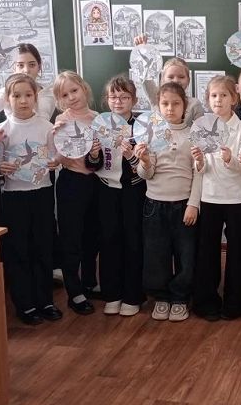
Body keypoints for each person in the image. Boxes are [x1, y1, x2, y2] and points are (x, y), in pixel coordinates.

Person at [0, 73, 60, 325]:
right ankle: (25, 304)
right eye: (16, 95)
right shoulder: (2, 130)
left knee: (43, 247)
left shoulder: (47, 127)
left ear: (36, 97)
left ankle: (45, 300)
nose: (23, 101)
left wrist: (54, 162)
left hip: (41, 193)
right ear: (8, 99)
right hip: (13, 197)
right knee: (18, 250)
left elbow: (55, 155)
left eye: (28, 95)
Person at [134, 83, 200, 322]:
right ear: (158, 107)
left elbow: (198, 173)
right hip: (155, 205)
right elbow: (146, 174)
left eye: (175, 103)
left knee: (186, 254)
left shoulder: (193, 135)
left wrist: (193, 204)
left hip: (183, 205)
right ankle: (161, 296)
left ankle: (180, 297)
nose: (170, 108)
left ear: (185, 106)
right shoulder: (151, 134)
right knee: (156, 253)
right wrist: (144, 161)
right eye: (165, 104)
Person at [191, 75, 241, 320]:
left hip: (237, 198)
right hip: (210, 197)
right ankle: (206, 302)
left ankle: (235, 304)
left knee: (237, 251)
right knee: (207, 251)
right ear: (208, 99)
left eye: (224, 95)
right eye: (213, 96)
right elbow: (201, 169)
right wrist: (198, 160)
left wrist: (230, 159)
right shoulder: (201, 127)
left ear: (233, 98)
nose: (218, 100)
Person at [87, 75, 145, 316]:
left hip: (134, 189)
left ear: (134, 100)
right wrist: (93, 154)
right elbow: (92, 164)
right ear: (106, 100)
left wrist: (134, 153)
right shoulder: (99, 125)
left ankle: (133, 295)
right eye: (113, 97)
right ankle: (112, 294)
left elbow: (148, 163)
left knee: (133, 241)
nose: (118, 101)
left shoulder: (142, 125)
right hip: (106, 190)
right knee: (109, 240)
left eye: (124, 97)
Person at [52, 71, 100, 315]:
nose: (71, 97)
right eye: (65, 95)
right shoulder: (62, 121)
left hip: (96, 183)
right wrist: (57, 142)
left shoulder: (98, 119)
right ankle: (75, 291)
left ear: (84, 88)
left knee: (92, 236)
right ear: (60, 100)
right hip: (72, 183)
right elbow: (57, 159)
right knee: (71, 238)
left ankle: (90, 282)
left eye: (74, 90)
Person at [0, 43, 56, 120]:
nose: (26, 70)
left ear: (39, 67)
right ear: (14, 68)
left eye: (32, 65)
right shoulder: (7, 91)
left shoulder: (48, 93)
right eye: (20, 65)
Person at [133, 34, 204, 124]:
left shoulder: (195, 104)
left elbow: (201, 129)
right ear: (162, 79)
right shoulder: (156, 97)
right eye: (170, 77)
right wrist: (141, 50)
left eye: (181, 77)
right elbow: (145, 74)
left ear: (188, 80)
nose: (176, 80)